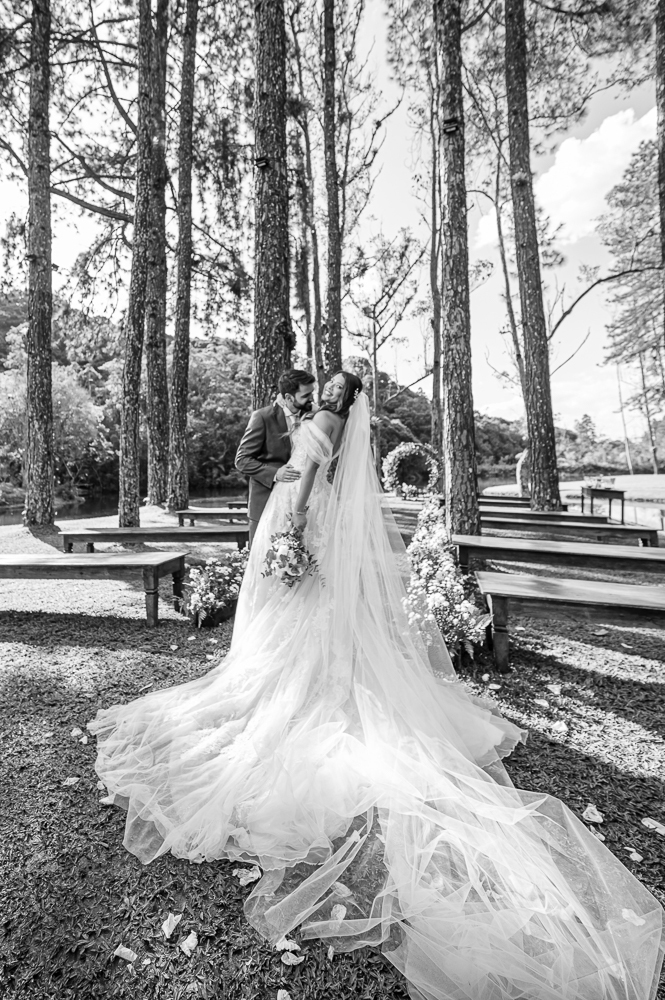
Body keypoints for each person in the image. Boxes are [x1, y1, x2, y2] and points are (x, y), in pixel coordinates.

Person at [89, 372, 663, 1000]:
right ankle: (305, 675)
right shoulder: (317, 422)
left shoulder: (324, 423)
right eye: (324, 384)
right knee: (302, 619)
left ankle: (302, 686)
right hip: (299, 511)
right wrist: (285, 489)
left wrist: (293, 523)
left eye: (332, 385)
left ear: (340, 397)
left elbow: (308, 475)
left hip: (299, 518)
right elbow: (286, 465)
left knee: (293, 618)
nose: (325, 391)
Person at [235, 369, 316, 544]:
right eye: (306, 395)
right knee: (265, 564)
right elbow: (242, 460)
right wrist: (275, 473)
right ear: (289, 397)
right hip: (266, 502)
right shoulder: (262, 417)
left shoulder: (314, 416)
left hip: (300, 504)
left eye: (312, 393)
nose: (311, 399)